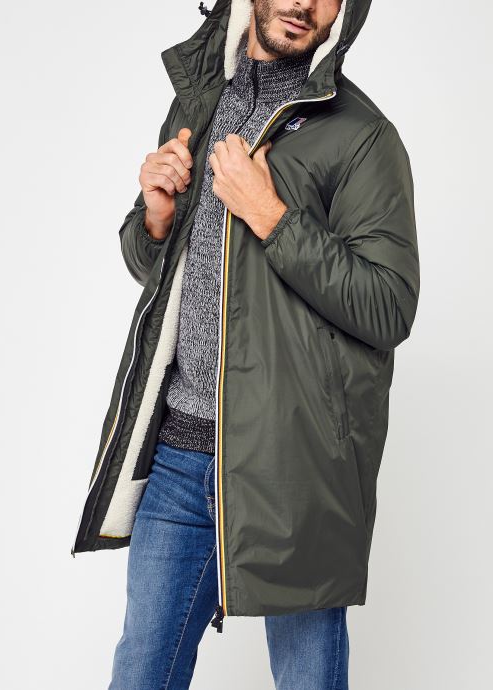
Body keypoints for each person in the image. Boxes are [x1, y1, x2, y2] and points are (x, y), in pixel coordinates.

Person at [71, 1, 420, 688]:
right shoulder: (200, 103)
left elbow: (388, 306)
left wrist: (270, 214)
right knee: (141, 673)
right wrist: (156, 218)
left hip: (295, 467)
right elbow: (166, 275)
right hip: (178, 459)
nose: (302, 4)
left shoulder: (362, 136)